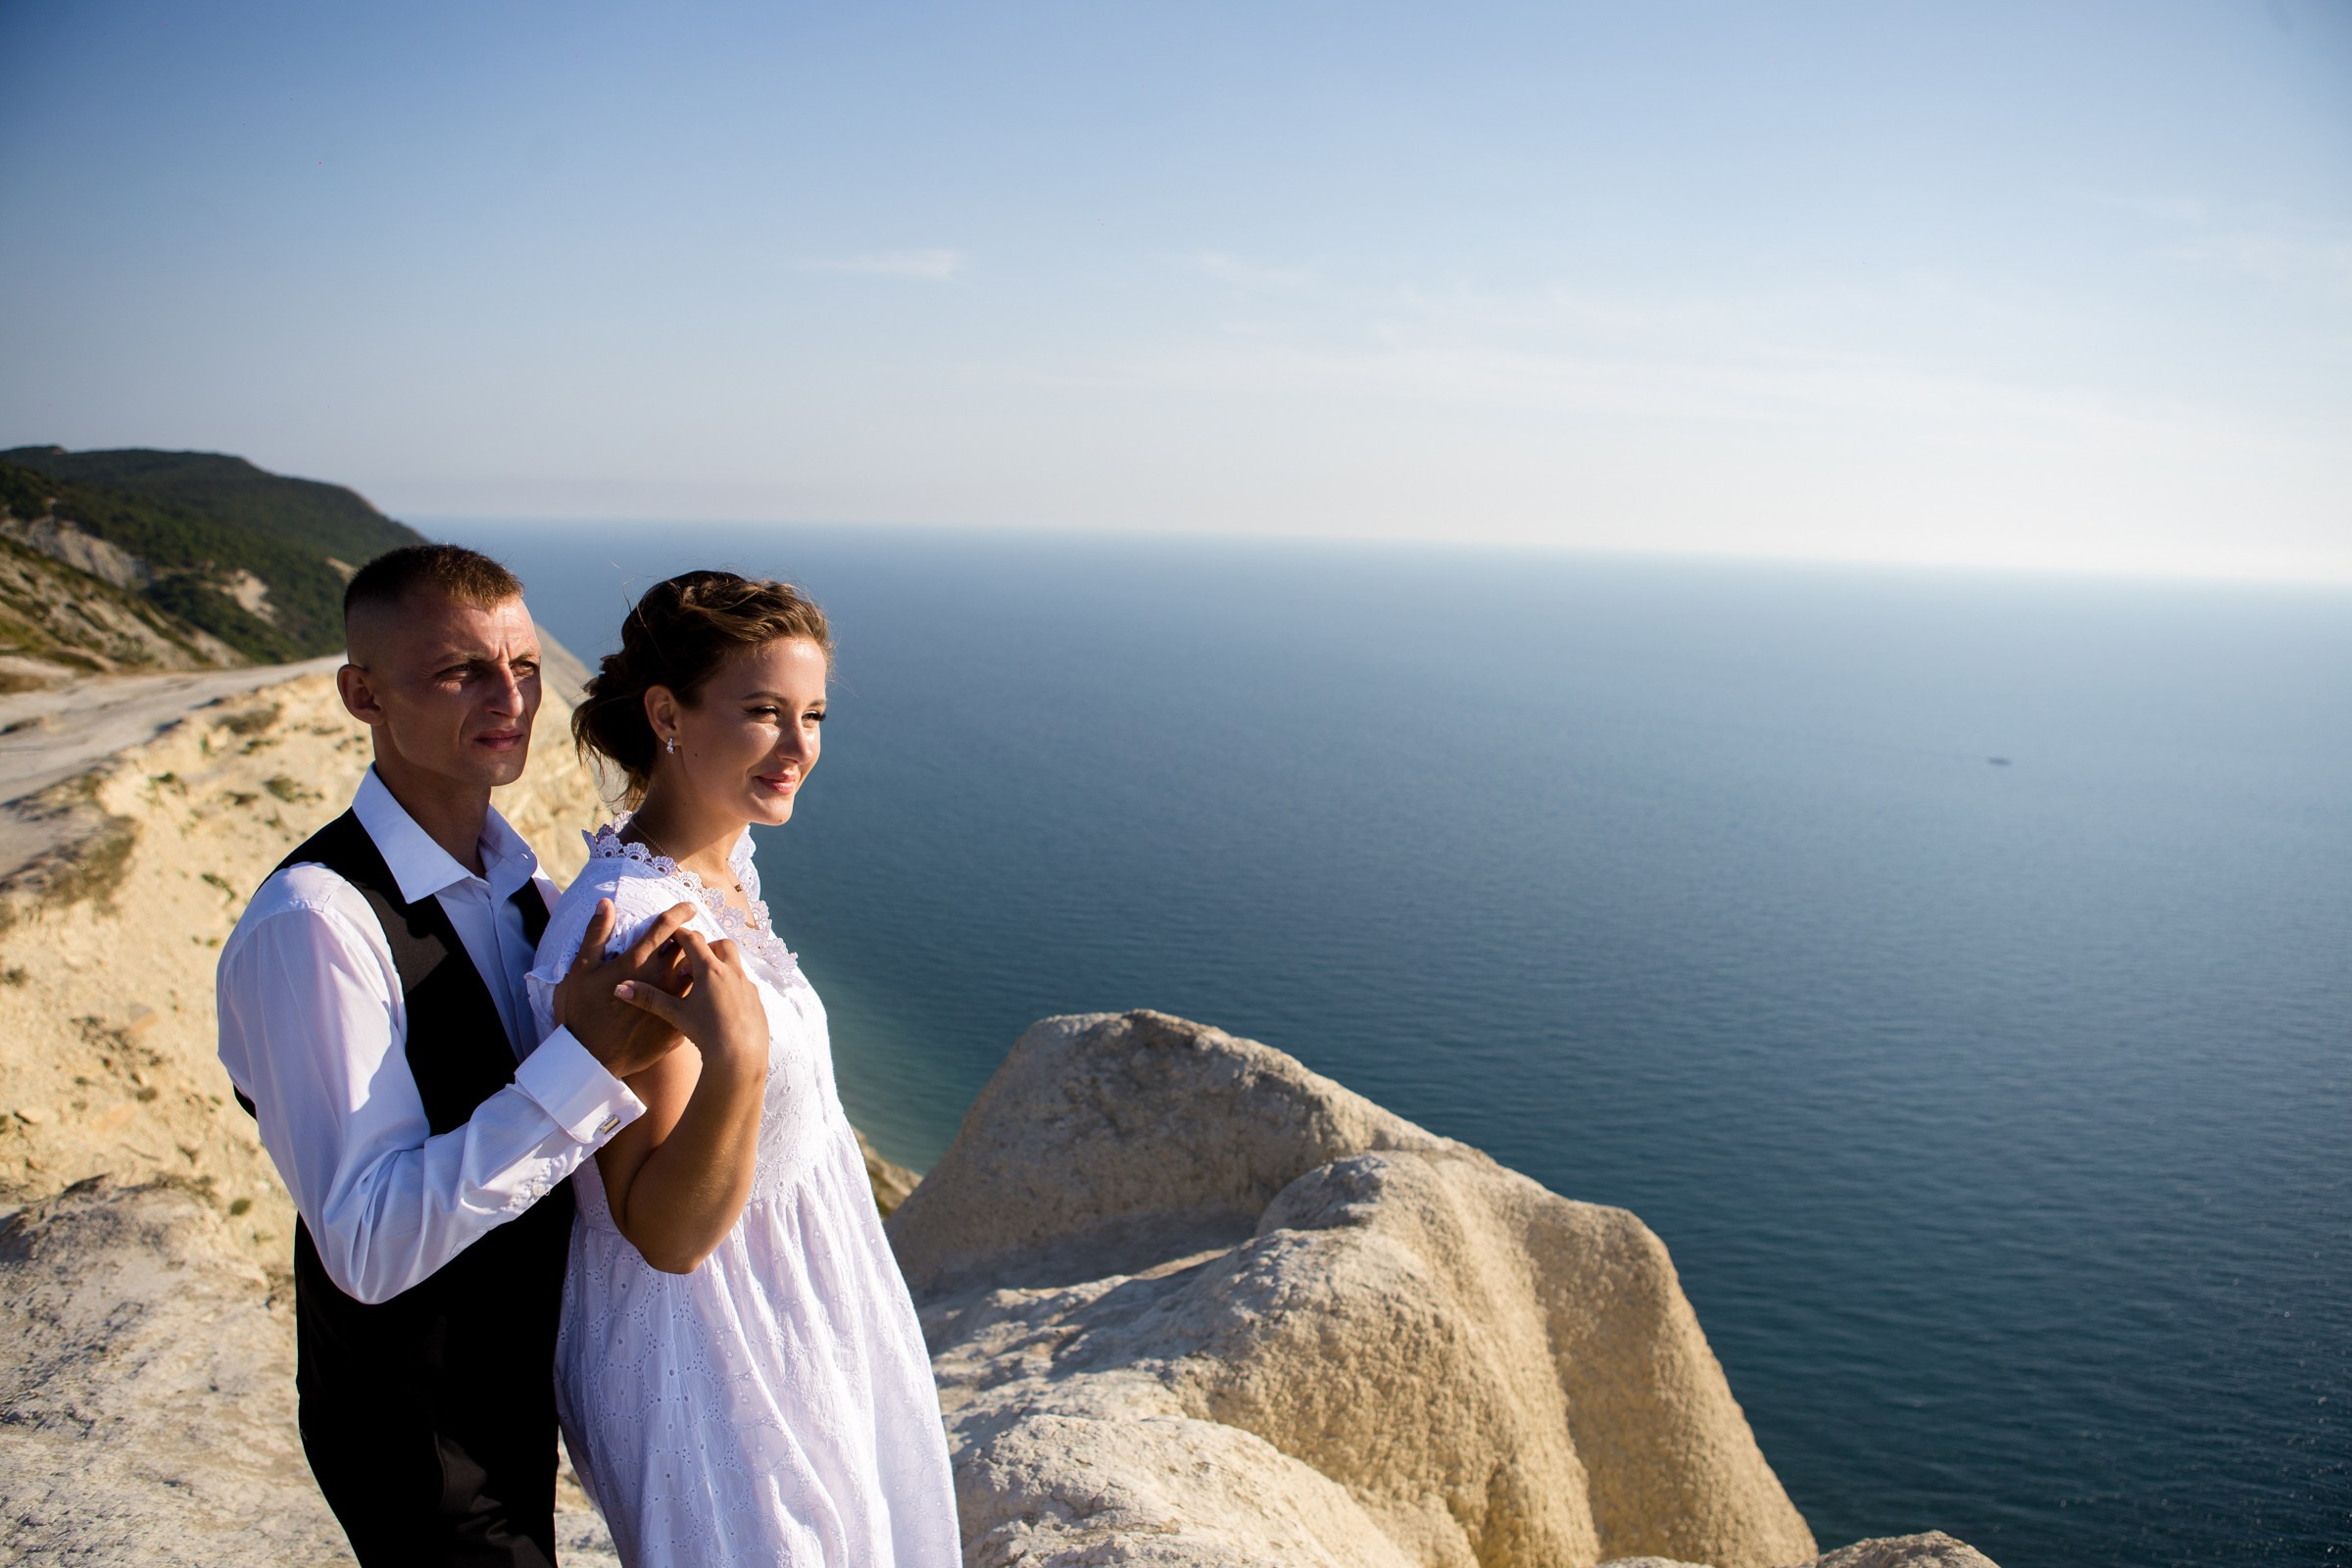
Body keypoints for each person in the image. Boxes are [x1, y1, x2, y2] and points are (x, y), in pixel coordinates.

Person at [217, 544, 699, 1568]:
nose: (511, 696)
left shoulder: (523, 887)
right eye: (460, 670)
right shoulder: (317, 924)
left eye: (523, 666)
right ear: (363, 693)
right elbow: (368, 1241)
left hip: (522, 1391)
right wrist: (586, 1064)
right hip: (418, 1427)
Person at [530, 569, 957, 1566]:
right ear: (667, 714)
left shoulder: (721, 870)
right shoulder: (643, 926)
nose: (802, 747)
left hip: (796, 1306)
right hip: (716, 1352)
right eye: (763, 712)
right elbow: (662, 1231)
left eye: (812, 714)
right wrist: (742, 1060)